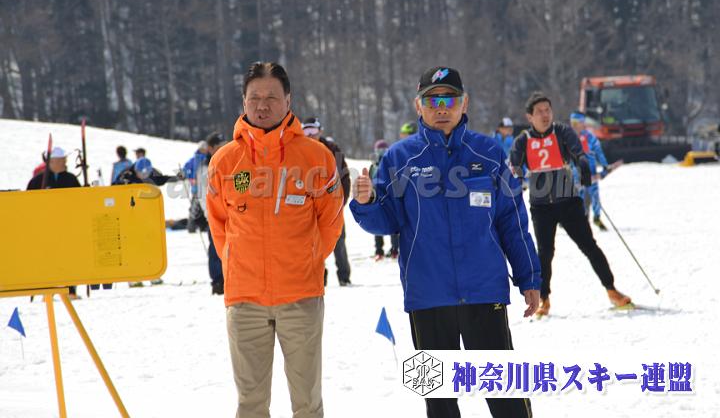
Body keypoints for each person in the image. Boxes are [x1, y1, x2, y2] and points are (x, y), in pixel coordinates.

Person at [350, 66, 539, 418]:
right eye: (432, 100)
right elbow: (386, 221)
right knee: (438, 401)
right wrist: (366, 203)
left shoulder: (488, 153)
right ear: (417, 105)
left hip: (484, 293)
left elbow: (512, 221)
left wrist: (529, 277)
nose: (441, 108)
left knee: (505, 395)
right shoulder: (399, 158)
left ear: (464, 103)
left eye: (449, 99)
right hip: (426, 297)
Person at [206, 62, 344, 418]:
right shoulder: (225, 161)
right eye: (254, 97)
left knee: (307, 403)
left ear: (288, 101)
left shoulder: (315, 156)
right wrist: (235, 264)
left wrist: (308, 260)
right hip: (244, 299)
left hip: (300, 294)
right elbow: (218, 223)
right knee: (250, 404)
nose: (262, 105)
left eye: (271, 97)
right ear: (244, 101)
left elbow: (330, 221)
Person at [509, 92, 631, 317]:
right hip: (541, 206)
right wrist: (515, 180)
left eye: (548, 110)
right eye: (539, 112)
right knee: (545, 253)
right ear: (530, 117)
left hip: (568, 201)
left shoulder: (562, 132)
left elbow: (578, 152)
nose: (545, 115)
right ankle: (544, 298)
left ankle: (611, 289)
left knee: (589, 246)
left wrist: (583, 164)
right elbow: (514, 167)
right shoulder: (522, 140)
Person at [302, 116, 352, 286]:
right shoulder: (299, 149)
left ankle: (344, 276)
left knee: (338, 240)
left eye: (313, 130)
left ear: (320, 131)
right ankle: (319, 276)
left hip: (333, 204)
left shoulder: (331, 149)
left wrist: (341, 202)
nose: (310, 135)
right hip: (310, 206)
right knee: (313, 243)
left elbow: (344, 177)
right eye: (306, 131)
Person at [27, 146, 82, 300]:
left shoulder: (71, 179)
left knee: (70, 257)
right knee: (48, 259)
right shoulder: (38, 180)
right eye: (61, 160)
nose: (65, 162)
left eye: (64, 159)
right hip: (45, 226)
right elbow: (27, 202)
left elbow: (80, 200)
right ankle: (48, 291)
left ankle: (71, 290)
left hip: (67, 225)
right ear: (52, 162)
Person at [195, 132, 225, 294]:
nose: (223, 148)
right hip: (214, 216)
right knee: (215, 248)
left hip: (231, 214)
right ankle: (218, 281)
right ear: (211, 148)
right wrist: (209, 214)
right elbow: (202, 195)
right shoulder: (204, 169)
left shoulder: (229, 161)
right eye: (219, 146)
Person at [569, 111, 609, 231]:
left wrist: (605, 166)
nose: (575, 126)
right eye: (572, 123)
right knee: (577, 197)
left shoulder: (590, 137)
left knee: (594, 195)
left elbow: (599, 152)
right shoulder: (568, 137)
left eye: (577, 122)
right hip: (575, 171)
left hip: (591, 172)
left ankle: (597, 217)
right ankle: (576, 219)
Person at [368, 139, 398, 261]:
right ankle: (379, 250)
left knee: (393, 225)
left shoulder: (391, 164)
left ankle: (395, 250)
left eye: (384, 150)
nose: (381, 153)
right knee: (377, 225)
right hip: (377, 199)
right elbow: (370, 180)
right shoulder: (373, 166)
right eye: (379, 151)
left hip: (390, 198)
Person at [184, 141, 210, 233]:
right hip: (196, 188)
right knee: (194, 208)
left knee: (206, 207)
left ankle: (204, 227)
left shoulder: (209, 158)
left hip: (206, 187)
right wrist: (190, 178)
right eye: (202, 149)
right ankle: (191, 227)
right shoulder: (194, 159)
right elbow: (185, 169)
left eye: (205, 148)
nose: (204, 150)